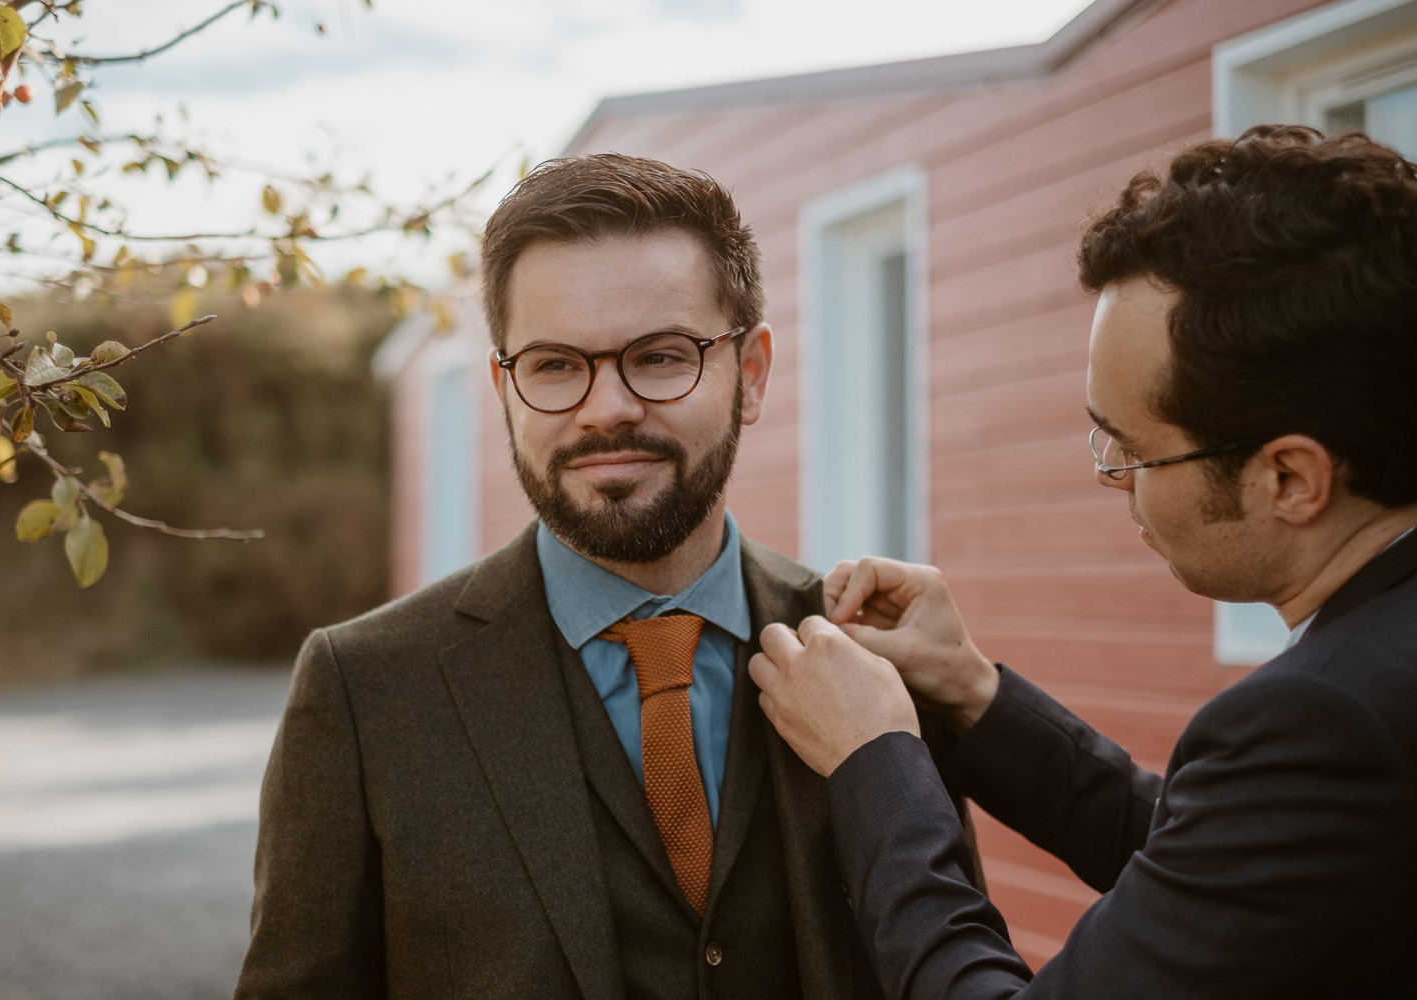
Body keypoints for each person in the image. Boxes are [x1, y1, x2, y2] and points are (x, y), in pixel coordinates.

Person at [234, 153, 980, 1000]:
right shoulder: (363, 688)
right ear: (505, 389)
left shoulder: (877, 660)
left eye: (661, 357)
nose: (606, 408)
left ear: (754, 374)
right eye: (554, 365)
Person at [749, 125, 1417, 998]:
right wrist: (972, 687)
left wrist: (875, 758)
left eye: (1134, 451)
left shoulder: (1324, 717)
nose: (1110, 478)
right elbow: (1217, 869)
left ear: (1290, 478)